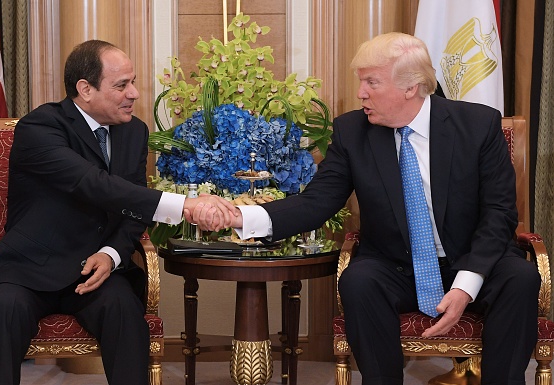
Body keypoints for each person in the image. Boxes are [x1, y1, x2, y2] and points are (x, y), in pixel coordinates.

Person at [193, 32, 540, 384]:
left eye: (371, 82)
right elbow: (317, 202)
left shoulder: (478, 125)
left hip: (471, 258)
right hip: (396, 265)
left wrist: (465, 285)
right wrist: (242, 216)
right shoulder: (351, 131)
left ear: (411, 87)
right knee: (358, 279)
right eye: (361, 82)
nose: (361, 93)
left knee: (520, 277)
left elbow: (500, 213)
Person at [0, 39, 234, 385]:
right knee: (4, 311)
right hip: (28, 268)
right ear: (85, 89)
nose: (135, 94)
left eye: (133, 82)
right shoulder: (41, 127)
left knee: (124, 311)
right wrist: (184, 205)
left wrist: (111, 255)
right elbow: (92, 183)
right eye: (122, 85)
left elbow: (132, 210)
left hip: (94, 268)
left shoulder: (134, 132)